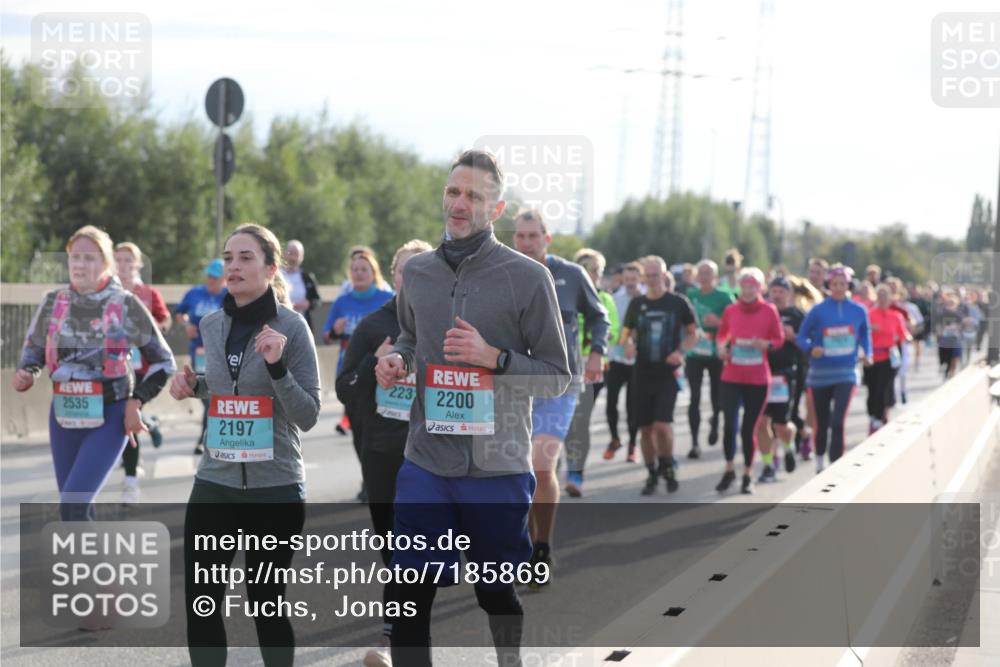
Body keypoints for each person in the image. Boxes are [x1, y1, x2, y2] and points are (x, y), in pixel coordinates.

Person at [375, 149, 570, 667]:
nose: (459, 204)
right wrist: (397, 359)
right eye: (453, 192)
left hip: (497, 464)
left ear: (496, 208)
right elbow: (412, 337)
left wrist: (495, 358)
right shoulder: (416, 272)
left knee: (495, 592)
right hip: (427, 458)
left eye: (473, 196)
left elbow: (557, 377)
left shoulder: (529, 278)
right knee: (410, 590)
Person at [170, 223, 321, 667]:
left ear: (271, 267)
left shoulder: (292, 328)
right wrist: (194, 385)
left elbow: (308, 415)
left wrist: (277, 368)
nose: (233, 266)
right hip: (215, 483)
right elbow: (226, 390)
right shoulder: (212, 323)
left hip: (274, 489)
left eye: (245, 258)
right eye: (228, 257)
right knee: (201, 602)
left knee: (265, 604)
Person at [14, 225, 175, 522]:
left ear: (105, 263)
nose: (80, 264)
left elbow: (163, 362)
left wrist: (136, 401)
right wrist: (27, 371)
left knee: (73, 506)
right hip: (63, 414)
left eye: (89, 258)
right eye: (75, 257)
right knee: (75, 510)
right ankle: (87, 568)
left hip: (110, 416)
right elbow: (32, 351)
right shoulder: (53, 302)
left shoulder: (125, 304)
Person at [335, 238, 432, 667]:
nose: (410, 280)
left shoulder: (445, 322)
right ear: (392, 276)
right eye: (403, 272)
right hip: (381, 450)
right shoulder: (374, 325)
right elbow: (342, 388)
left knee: (414, 549)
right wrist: (370, 365)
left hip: (431, 452)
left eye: (419, 271)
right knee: (393, 548)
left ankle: (395, 640)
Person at [512, 209, 608, 576]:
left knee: (541, 464)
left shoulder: (571, 274)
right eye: (520, 237)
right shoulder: (505, 273)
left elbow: (599, 315)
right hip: (516, 383)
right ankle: (524, 542)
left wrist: (596, 350)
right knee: (518, 472)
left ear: (547, 239)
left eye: (533, 236)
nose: (526, 243)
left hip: (561, 383)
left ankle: (541, 547)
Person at [620, 256, 698, 496]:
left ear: (664, 276)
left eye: (656, 275)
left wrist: (680, 351)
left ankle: (667, 463)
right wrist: (629, 345)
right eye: (649, 276)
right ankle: (652, 472)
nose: (652, 280)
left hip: (668, 373)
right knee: (645, 429)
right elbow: (626, 335)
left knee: (662, 426)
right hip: (642, 372)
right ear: (644, 277)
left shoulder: (678, 303)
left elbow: (694, 334)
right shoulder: (637, 304)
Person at [324, 248, 394, 501]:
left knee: (380, 433)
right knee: (359, 433)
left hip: (384, 376)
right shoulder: (343, 302)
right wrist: (335, 329)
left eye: (364, 269)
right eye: (355, 270)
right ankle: (368, 475)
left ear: (373, 273)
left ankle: (378, 482)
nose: (359, 273)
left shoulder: (388, 298)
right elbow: (327, 336)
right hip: (353, 374)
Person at [713, 268, 784, 494]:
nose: (747, 290)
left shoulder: (769, 310)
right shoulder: (731, 310)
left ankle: (747, 474)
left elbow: (778, 338)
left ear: (760, 288)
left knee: (748, 429)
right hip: (732, 376)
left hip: (757, 378)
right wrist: (721, 348)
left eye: (752, 286)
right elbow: (722, 334)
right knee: (729, 426)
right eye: (744, 286)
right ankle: (729, 469)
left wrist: (766, 345)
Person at [796, 265, 873, 471]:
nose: (838, 288)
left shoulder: (858, 310)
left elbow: (865, 335)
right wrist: (812, 348)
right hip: (820, 373)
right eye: (834, 284)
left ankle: (835, 465)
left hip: (846, 372)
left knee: (838, 422)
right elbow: (801, 337)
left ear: (848, 285)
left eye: (842, 284)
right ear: (829, 285)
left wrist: (867, 353)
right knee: (822, 421)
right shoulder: (818, 310)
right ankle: (820, 460)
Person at [114, 241, 171, 503]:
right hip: (113, 366)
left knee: (129, 417)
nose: (123, 265)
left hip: (141, 367)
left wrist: (148, 326)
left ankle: (130, 483)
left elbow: (165, 321)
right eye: (118, 259)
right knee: (122, 420)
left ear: (137, 265)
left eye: (128, 260)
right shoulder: (106, 292)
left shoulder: (147, 292)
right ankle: (151, 424)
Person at [564, 248, 619, 497]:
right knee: (563, 420)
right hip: (565, 368)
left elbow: (614, 331)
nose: (597, 276)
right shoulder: (566, 294)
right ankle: (553, 467)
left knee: (580, 420)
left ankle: (576, 473)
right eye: (592, 270)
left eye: (599, 271)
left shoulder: (605, 300)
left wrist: (596, 344)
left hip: (593, 369)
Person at [175, 259, 228, 454]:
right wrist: (186, 324)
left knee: (214, 397)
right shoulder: (195, 293)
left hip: (222, 354)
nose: (211, 280)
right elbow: (179, 314)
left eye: (215, 277)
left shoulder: (230, 295)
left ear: (224, 277)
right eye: (209, 276)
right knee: (207, 398)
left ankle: (205, 439)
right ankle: (208, 437)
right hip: (199, 354)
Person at [684, 259, 735, 459]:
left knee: (717, 396)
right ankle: (695, 442)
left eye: (708, 273)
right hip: (695, 352)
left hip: (716, 352)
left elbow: (736, 324)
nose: (704, 276)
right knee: (694, 397)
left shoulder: (724, 297)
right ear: (697, 276)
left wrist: (719, 322)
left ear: (715, 277)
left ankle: (715, 421)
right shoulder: (690, 295)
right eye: (701, 272)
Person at [756, 276, 804, 482]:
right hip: (761, 372)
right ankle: (767, 464)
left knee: (781, 425)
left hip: (785, 374)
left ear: (789, 293)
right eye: (773, 291)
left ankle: (789, 446)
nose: (777, 295)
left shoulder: (796, 315)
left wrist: (794, 337)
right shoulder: (763, 312)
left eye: (781, 291)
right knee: (761, 422)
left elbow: (808, 343)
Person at [603, 261, 644, 461]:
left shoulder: (646, 299)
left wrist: (635, 342)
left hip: (637, 361)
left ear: (640, 279)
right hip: (616, 359)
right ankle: (615, 438)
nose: (629, 283)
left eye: (633, 279)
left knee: (632, 406)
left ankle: (633, 445)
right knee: (611, 404)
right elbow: (608, 324)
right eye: (626, 279)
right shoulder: (614, 299)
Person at [864, 284, 911, 433]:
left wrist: (909, 337)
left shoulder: (896, 316)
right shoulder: (869, 315)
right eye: (880, 296)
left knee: (882, 388)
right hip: (872, 358)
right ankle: (873, 416)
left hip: (889, 358)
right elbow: (862, 334)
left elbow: (903, 334)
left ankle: (878, 420)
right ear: (876, 298)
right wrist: (871, 330)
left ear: (890, 298)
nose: (883, 299)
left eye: (886, 296)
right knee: (872, 390)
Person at [280, 239, 322, 331]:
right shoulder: (277, 275)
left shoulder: (308, 277)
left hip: (302, 323)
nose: (293, 258)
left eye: (296, 254)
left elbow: (316, 300)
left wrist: (308, 304)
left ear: (301, 257)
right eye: (290, 253)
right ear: (284, 254)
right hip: (280, 323)